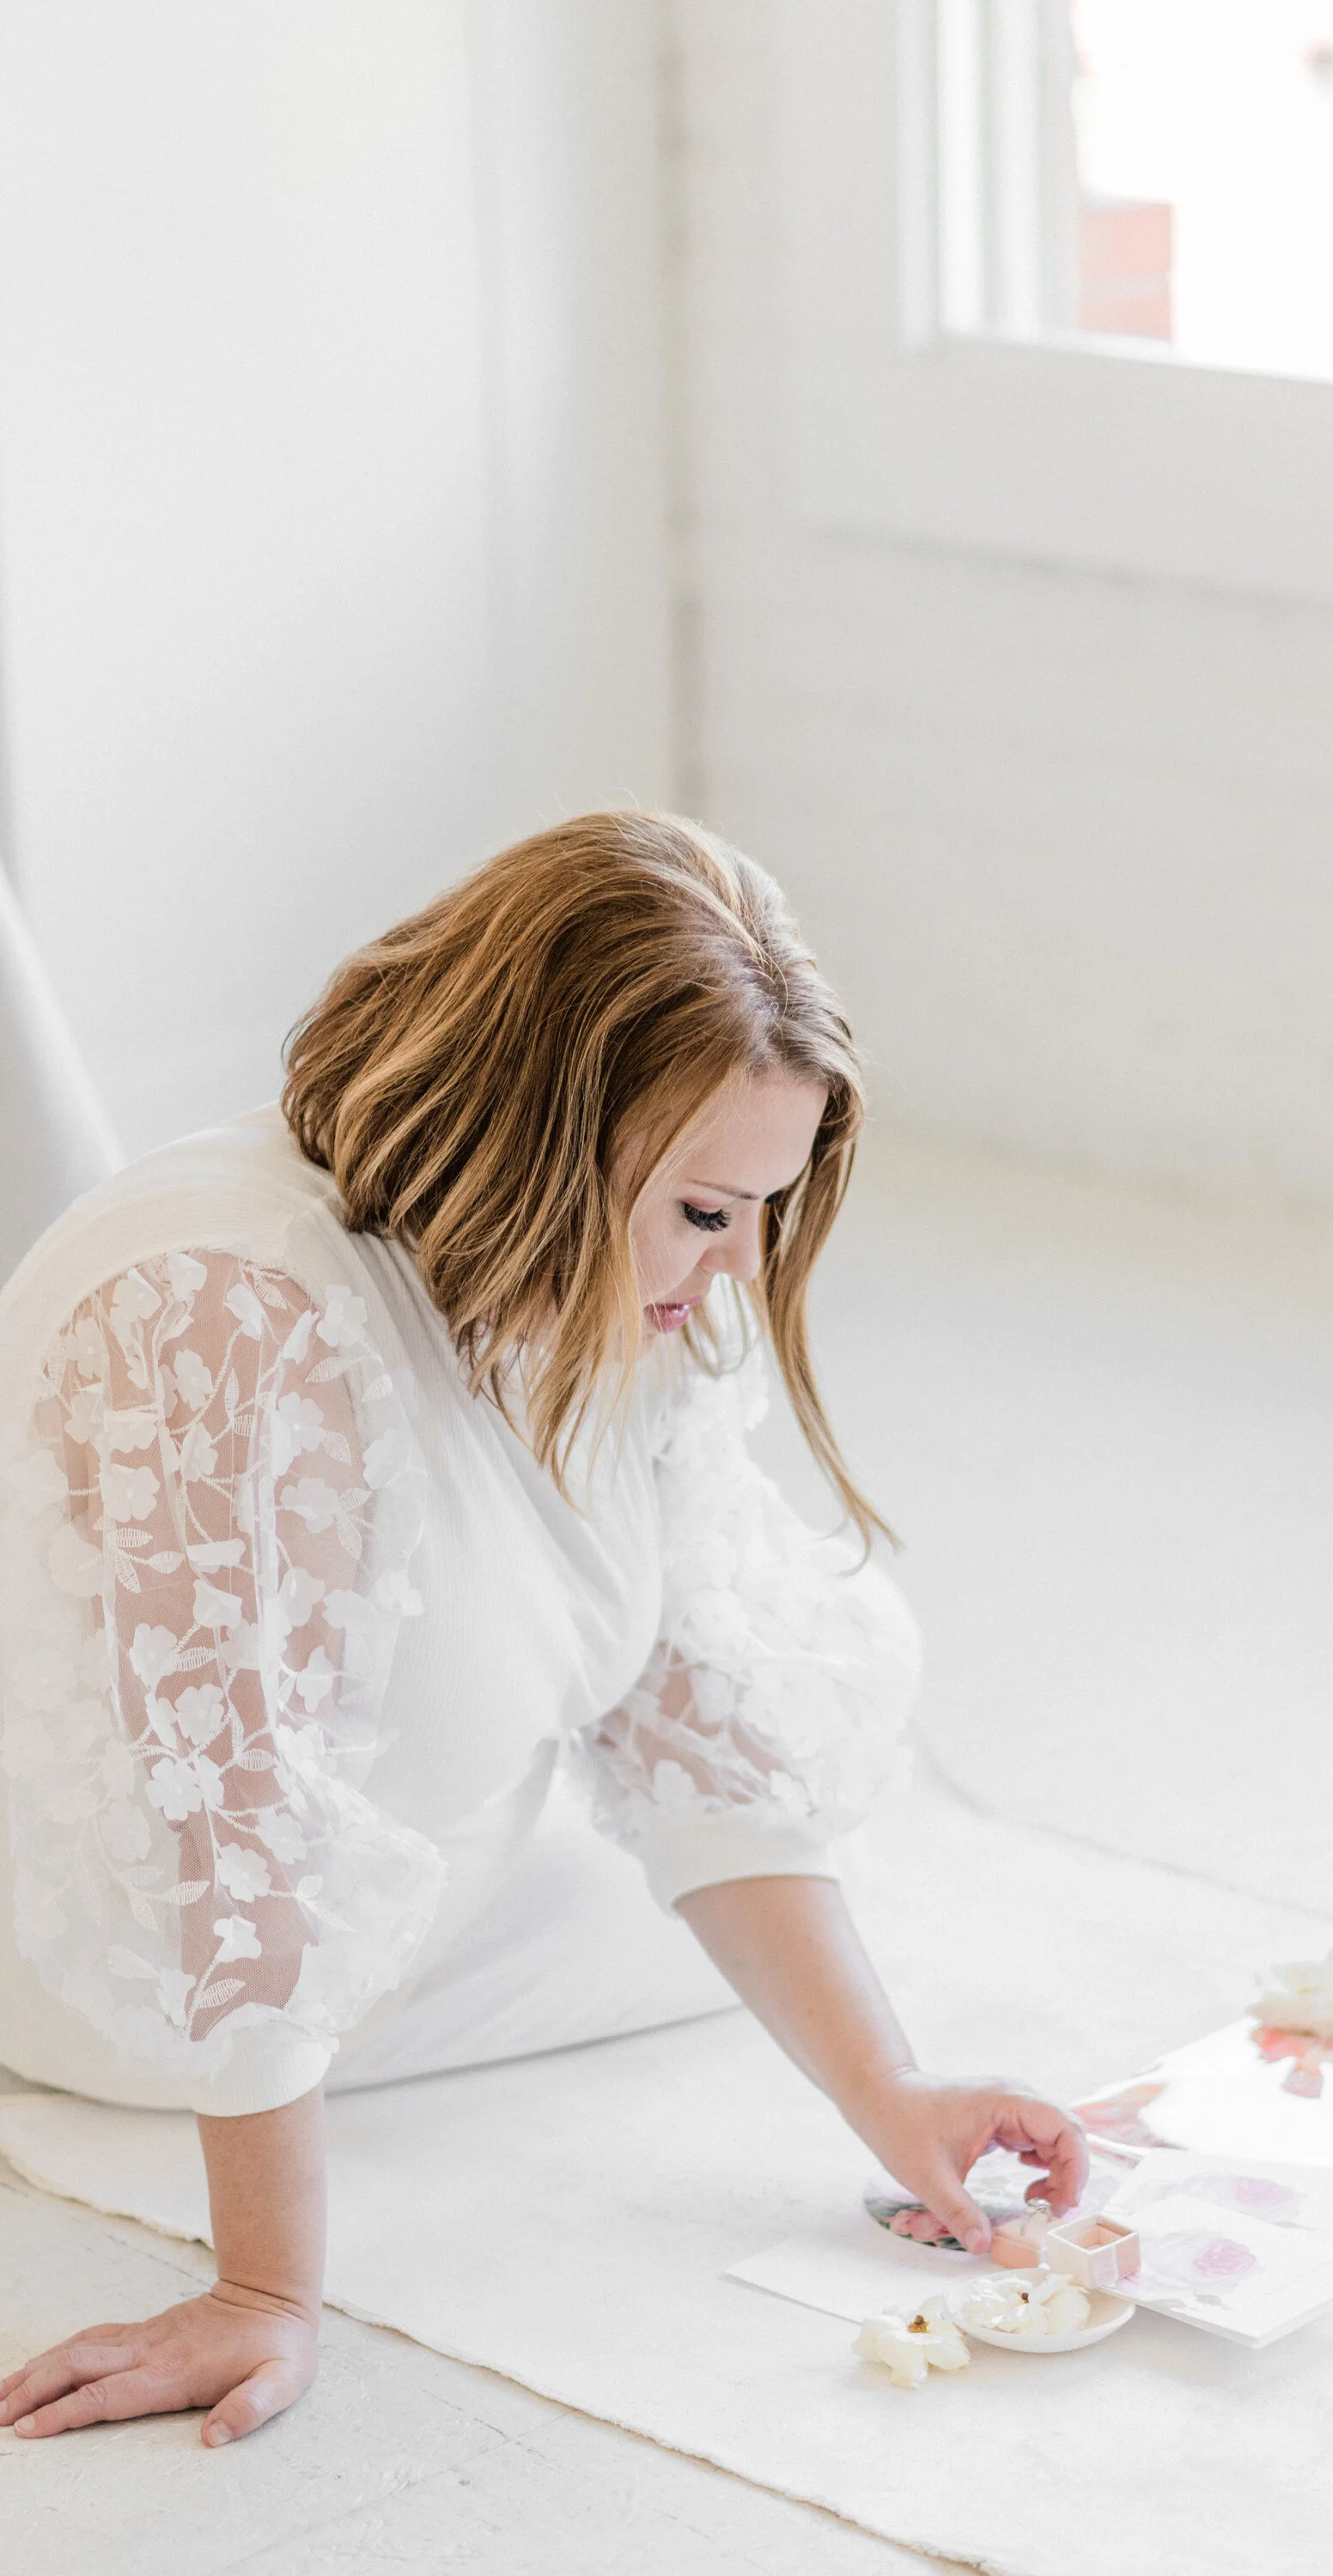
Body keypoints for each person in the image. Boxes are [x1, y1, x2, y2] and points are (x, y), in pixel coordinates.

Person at [0, 813, 1084, 2445]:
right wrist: (266, 2291)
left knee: (825, 1880)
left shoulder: (622, 1293)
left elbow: (697, 1726)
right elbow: (226, 1843)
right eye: (711, 1210)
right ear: (542, 1143)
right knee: (721, 1925)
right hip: (135, 1961)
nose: (736, 1273)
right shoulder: (229, 1313)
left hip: (429, 1879)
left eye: (765, 1212)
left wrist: (896, 2103)